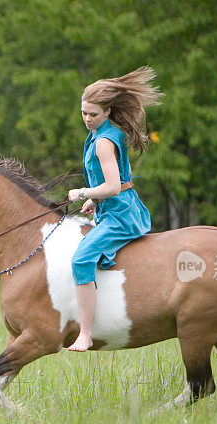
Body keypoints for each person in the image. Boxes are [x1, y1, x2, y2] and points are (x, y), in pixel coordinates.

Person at [66, 66, 162, 352]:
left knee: (81, 259)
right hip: (116, 208)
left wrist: (83, 192)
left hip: (121, 215)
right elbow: (121, 180)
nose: (86, 118)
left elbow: (112, 186)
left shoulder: (104, 142)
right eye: (83, 112)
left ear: (107, 112)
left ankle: (85, 333)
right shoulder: (105, 133)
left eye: (92, 114)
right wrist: (95, 201)